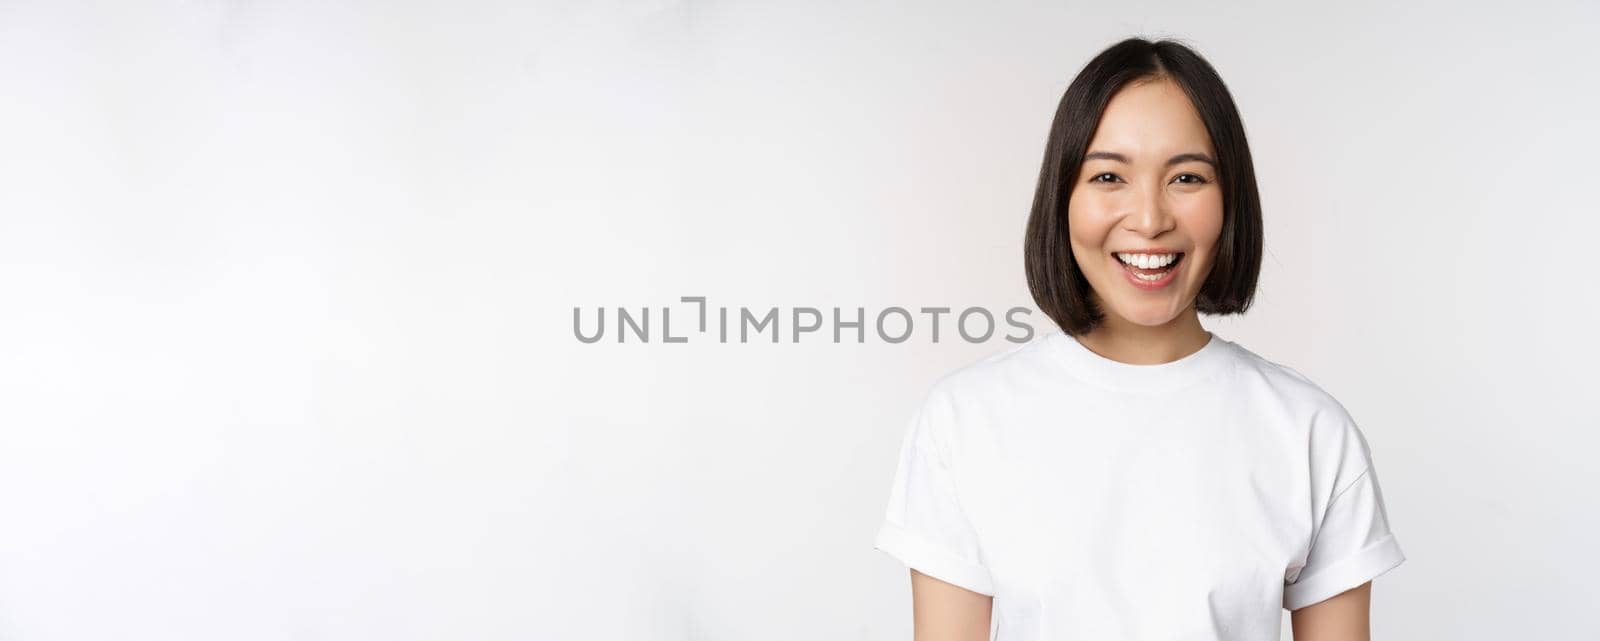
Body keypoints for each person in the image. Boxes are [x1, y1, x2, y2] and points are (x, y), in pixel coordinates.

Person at [872, 37, 1406, 641]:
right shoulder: (964, 420)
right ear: (1063, 200)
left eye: (1186, 177)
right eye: (1108, 176)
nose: (1149, 219)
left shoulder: (1309, 431)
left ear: (1229, 200)